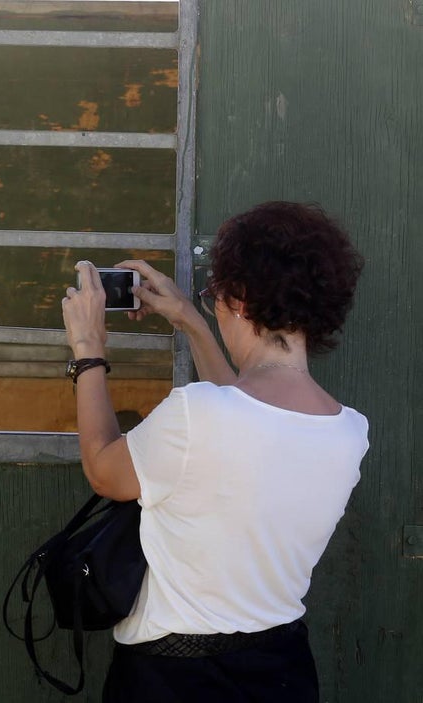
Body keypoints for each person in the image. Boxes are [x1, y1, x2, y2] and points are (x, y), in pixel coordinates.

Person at [60, 201, 368, 702]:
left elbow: (104, 472)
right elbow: (241, 417)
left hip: (175, 678)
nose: (213, 308)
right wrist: (192, 322)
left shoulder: (196, 412)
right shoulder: (350, 431)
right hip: (281, 670)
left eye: (213, 297)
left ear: (240, 299)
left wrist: (88, 350)